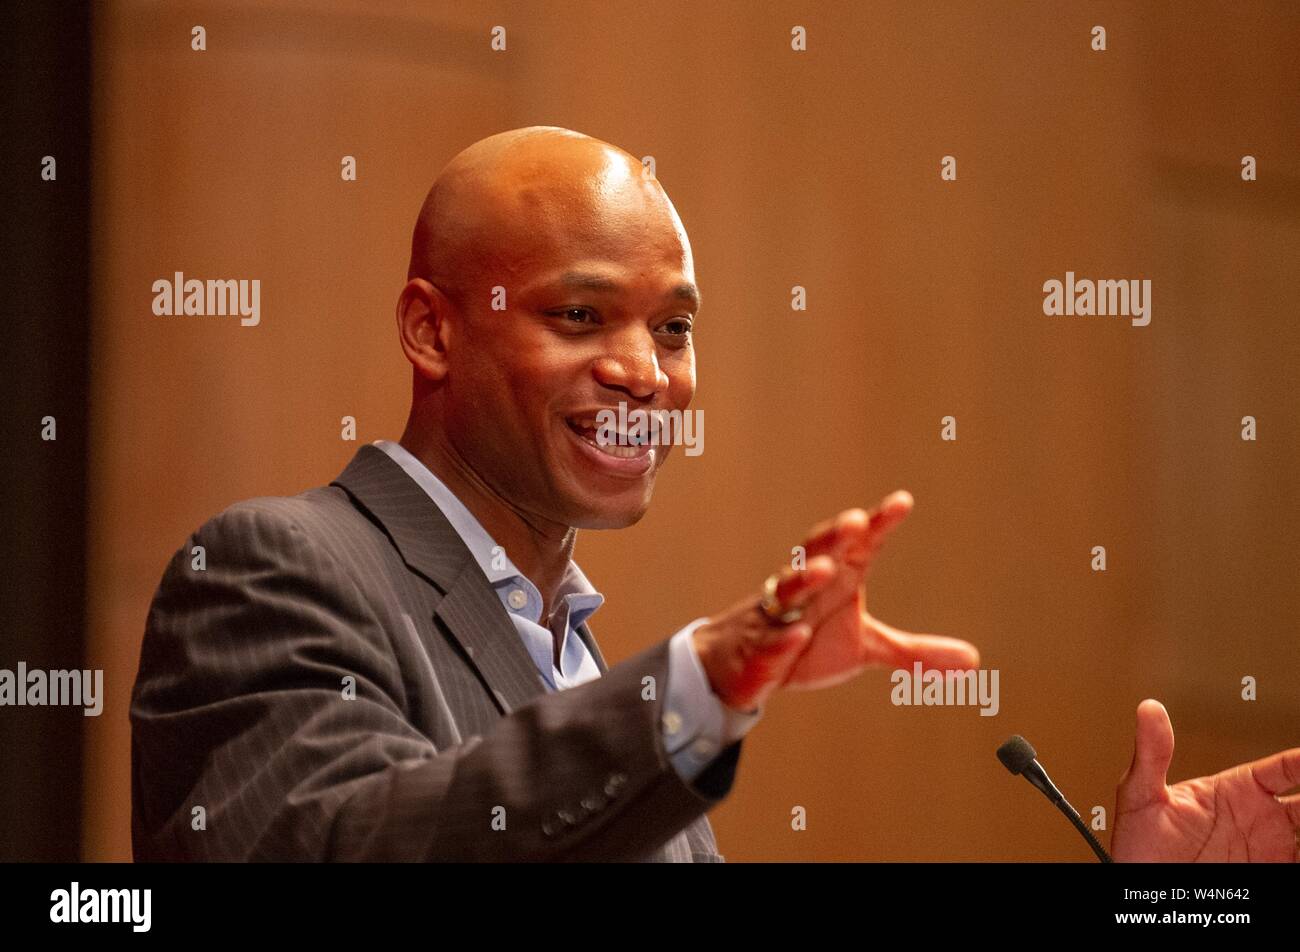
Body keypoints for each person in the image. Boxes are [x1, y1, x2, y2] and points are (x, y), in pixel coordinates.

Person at [130, 126, 1299, 862]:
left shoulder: (585, 667)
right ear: (431, 329)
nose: (647, 369)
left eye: (675, 327)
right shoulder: (276, 568)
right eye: (579, 315)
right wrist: (705, 676)